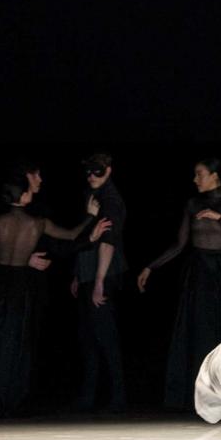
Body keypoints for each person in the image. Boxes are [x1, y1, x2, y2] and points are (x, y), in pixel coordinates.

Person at [0, 175, 109, 417]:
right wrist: (90, 216)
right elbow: (72, 235)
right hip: (19, 283)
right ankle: (6, 397)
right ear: (24, 196)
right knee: (13, 339)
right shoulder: (37, 223)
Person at [137, 158, 221, 409]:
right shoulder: (192, 203)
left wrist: (219, 218)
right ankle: (195, 394)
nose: (195, 179)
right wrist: (150, 266)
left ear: (215, 176)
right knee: (195, 330)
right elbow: (180, 245)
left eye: (200, 174)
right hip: (198, 272)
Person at [71, 153, 129, 412]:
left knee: (105, 337)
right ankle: (90, 395)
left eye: (97, 171)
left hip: (101, 275)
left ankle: (118, 396)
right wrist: (78, 274)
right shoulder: (93, 197)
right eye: (89, 172)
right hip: (87, 273)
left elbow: (108, 243)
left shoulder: (111, 201)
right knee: (89, 338)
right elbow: (85, 238)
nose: (92, 176)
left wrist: (98, 282)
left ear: (108, 170)